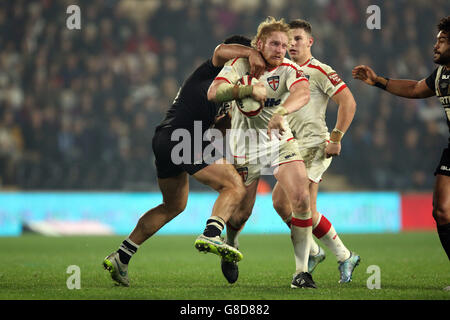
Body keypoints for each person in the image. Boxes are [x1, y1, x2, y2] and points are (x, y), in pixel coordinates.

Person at [102, 35, 267, 287]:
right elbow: (221, 49)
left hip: (166, 139)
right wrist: (251, 52)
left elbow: (217, 130)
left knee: (173, 205)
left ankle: (121, 256)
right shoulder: (211, 69)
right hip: (184, 139)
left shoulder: (226, 91)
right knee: (233, 185)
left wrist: (232, 122)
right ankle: (212, 234)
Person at [207, 17, 316, 288]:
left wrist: (281, 112)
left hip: (280, 140)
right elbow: (213, 92)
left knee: (301, 197)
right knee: (242, 213)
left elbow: (303, 92)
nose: (281, 49)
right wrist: (247, 89)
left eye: (285, 45)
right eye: (275, 44)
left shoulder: (289, 69)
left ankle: (301, 273)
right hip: (245, 144)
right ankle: (230, 246)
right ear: (259, 44)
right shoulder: (240, 64)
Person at [352, 16, 450, 262]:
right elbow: (415, 89)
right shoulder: (441, 75)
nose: (435, 46)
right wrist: (377, 81)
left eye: (443, 41)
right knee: (442, 211)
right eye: (437, 41)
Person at [271, 19, 360, 283]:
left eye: (298, 39)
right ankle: (336, 254)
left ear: (310, 42)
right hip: (291, 147)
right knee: (280, 202)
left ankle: (314, 265)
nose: (292, 45)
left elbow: (348, 102)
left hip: (314, 146)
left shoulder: (319, 70)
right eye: (289, 41)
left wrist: (336, 137)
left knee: (302, 204)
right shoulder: (284, 71)